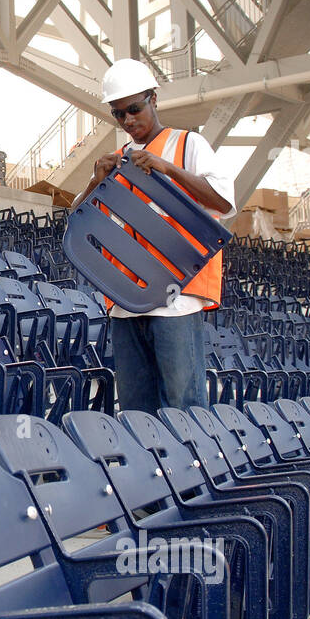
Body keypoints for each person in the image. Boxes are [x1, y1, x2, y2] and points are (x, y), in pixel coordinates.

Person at [71, 59, 236, 413]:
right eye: (119, 114)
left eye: (134, 108)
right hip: (125, 300)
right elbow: (76, 221)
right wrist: (93, 181)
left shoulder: (187, 144)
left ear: (153, 99)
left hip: (176, 294)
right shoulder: (114, 160)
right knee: (135, 410)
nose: (129, 120)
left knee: (183, 405)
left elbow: (223, 201)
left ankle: (191, 468)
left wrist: (168, 169)